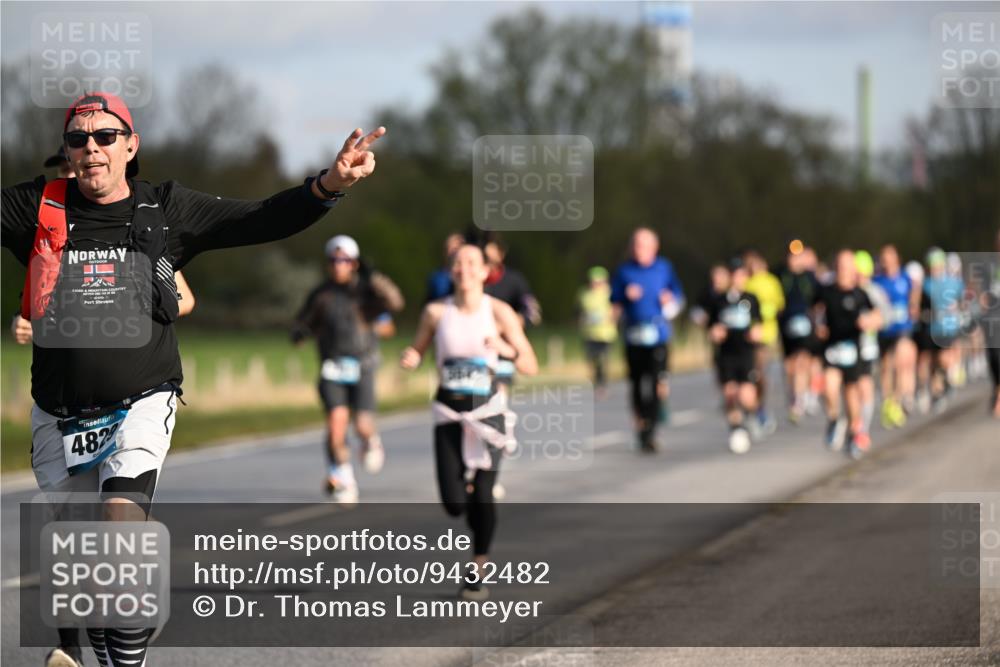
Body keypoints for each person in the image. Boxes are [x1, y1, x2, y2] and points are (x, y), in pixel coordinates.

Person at [1, 92, 384, 667]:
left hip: (137, 404)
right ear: (67, 150)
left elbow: (258, 217)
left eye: (105, 136)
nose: (91, 148)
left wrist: (328, 184)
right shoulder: (36, 207)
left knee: (119, 533)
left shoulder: (165, 208)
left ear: (131, 145)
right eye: (78, 139)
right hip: (59, 416)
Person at [400, 243, 537, 601]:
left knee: (484, 495)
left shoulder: (499, 312)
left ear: (485, 271)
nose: (464, 268)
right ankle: (470, 493)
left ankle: (478, 569)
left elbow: (530, 364)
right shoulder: (435, 312)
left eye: (472, 262)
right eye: (458, 262)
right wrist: (412, 357)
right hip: (448, 412)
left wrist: (506, 350)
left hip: (487, 413)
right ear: (451, 271)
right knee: (454, 503)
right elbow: (419, 348)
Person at [292, 235, 404, 503]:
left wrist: (376, 279)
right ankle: (343, 477)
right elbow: (302, 323)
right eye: (333, 260)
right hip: (332, 366)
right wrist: (301, 333)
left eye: (344, 260)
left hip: (363, 365)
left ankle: (370, 440)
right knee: (336, 424)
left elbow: (395, 303)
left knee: (362, 425)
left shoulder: (366, 292)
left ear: (354, 263)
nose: (338, 265)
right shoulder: (321, 295)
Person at [610, 228, 686, 453]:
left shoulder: (664, 268)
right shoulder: (624, 271)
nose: (639, 249)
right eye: (636, 245)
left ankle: (651, 428)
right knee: (636, 384)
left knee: (655, 383)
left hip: (658, 335)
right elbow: (613, 299)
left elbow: (678, 296)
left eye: (643, 245)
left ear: (654, 247)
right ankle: (641, 427)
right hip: (633, 334)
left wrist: (669, 301)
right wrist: (625, 296)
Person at [813, 249, 882, 458]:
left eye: (848, 266)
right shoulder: (826, 291)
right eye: (841, 266)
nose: (844, 271)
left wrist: (869, 321)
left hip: (854, 351)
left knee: (852, 394)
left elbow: (877, 315)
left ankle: (854, 433)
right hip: (832, 349)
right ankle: (835, 420)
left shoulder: (860, 294)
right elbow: (814, 311)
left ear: (853, 269)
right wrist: (817, 326)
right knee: (830, 387)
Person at [704, 259, 763, 454]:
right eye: (735, 275)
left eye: (741, 275)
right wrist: (715, 333)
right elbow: (710, 326)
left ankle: (753, 414)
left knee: (746, 395)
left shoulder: (751, 299)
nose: (738, 279)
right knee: (729, 393)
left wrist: (756, 333)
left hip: (745, 352)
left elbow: (759, 324)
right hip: (726, 354)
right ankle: (736, 428)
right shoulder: (718, 300)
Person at [482, 233, 542, 387]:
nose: (487, 265)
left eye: (489, 259)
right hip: (476, 351)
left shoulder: (514, 280)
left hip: (504, 349)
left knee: (498, 391)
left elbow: (533, 313)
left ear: (501, 255)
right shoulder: (469, 282)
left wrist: (509, 323)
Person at [872, 244, 917, 427]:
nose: (887, 261)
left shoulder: (905, 278)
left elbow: (914, 294)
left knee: (901, 360)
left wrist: (913, 306)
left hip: (902, 327)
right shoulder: (877, 281)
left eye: (890, 257)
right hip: (885, 329)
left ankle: (900, 398)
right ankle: (888, 402)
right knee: (885, 367)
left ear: (897, 258)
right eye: (884, 258)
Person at [777, 242, 821, 424]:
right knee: (790, 365)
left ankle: (801, 398)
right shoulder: (781, 275)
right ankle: (794, 393)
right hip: (786, 326)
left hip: (806, 324)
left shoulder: (809, 277)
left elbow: (818, 300)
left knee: (803, 360)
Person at [917, 248, 964, 414]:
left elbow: (963, 298)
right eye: (932, 266)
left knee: (944, 359)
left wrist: (959, 307)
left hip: (948, 328)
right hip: (931, 329)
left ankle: (948, 379)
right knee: (933, 362)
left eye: (937, 265)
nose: (935, 268)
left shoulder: (953, 282)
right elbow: (918, 305)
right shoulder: (925, 284)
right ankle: (937, 392)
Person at [743, 250, 784, 435]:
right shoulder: (746, 283)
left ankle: (760, 406)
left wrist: (767, 312)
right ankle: (750, 406)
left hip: (765, 334)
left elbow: (779, 304)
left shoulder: (771, 282)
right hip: (745, 336)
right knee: (748, 374)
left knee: (759, 373)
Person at [854, 250, 890, 435]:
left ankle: (863, 428)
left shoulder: (874, 291)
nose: (859, 277)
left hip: (867, 346)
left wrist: (872, 321)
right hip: (846, 347)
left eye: (862, 273)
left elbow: (886, 316)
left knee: (865, 384)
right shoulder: (845, 290)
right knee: (850, 389)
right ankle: (852, 423)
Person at [576, 266, 617, 400]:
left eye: (598, 281)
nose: (595, 284)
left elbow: (616, 310)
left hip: (605, 334)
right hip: (589, 333)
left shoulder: (610, 293)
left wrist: (609, 317)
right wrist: (583, 320)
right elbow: (580, 312)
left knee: (603, 360)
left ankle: (602, 385)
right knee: (592, 360)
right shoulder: (584, 294)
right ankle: (596, 383)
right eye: (593, 281)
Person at [424, 232, 464, 303]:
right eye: (450, 248)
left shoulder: (472, 276)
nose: (454, 253)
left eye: (456, 249)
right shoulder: (437, 278)